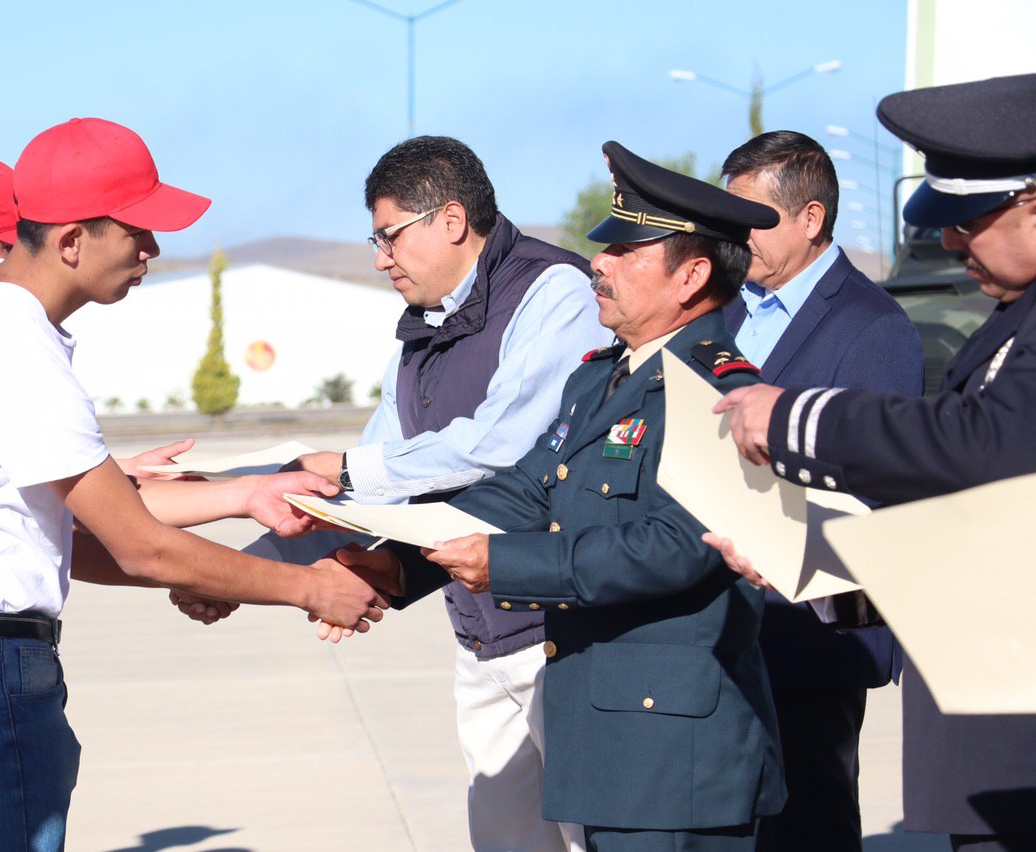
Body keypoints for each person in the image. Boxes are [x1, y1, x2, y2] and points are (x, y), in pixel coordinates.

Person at [0, 118, 391, 851]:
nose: (152, 249)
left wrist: (239, 514)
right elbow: (141, 544)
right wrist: (310, 588)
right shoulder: (12, 343)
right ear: (73, 241)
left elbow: (70, 542)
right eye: (137, 230)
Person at [335, 141, 788, 851]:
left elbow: (677, 549)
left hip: (674, 757)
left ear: (692, 275)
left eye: (625, 253)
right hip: (609, 738)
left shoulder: (720, 393)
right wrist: (401, 565)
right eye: (603, 248)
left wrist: (507, 567)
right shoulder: (599, 379)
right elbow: (524, 493)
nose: (598, 265)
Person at [710, 73, 1036, 852]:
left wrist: (792, 415)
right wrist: (817, 572)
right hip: (989, 720)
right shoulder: (1010, 321)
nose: (952, 242)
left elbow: (976, 447)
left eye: (971, 218)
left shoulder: (884, 324)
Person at [252, 135, 606, 850]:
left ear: (450, 221)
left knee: (591, 835)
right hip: (478, 630)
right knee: (505, 838)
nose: (380, 258)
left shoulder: (553, 293)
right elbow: (375, 475)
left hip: (559, 635)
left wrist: (351, 470)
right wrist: (258, 569)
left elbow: (499, 441)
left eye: (389, 237)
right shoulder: (421, 334)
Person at [719, 131, 923, 852]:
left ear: (809, 219)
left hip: (811, 627)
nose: (736, 235)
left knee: (807, 828)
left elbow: (878, 486)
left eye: (753, 218)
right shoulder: (730, 312)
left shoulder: (873, 327)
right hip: (729, 620)